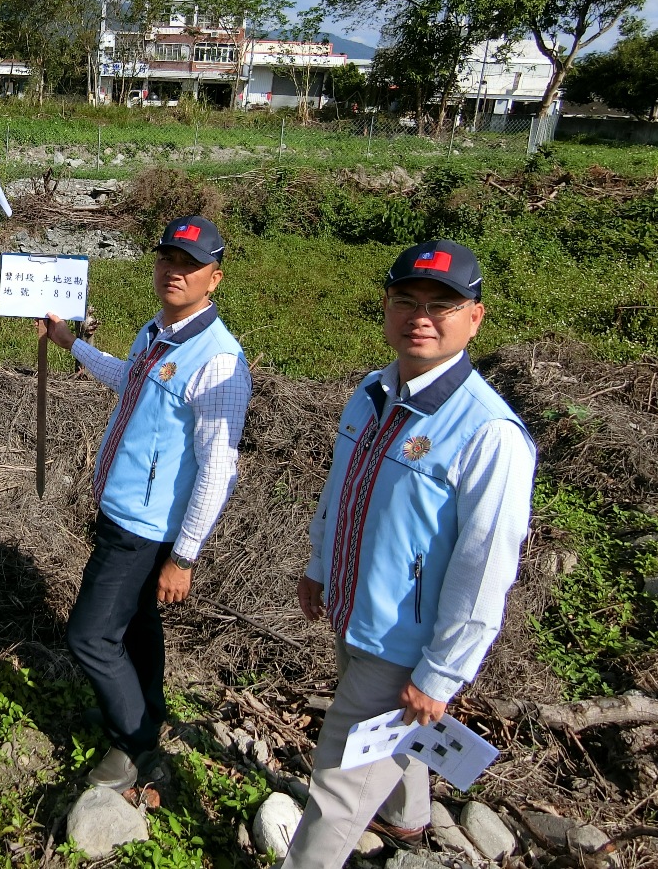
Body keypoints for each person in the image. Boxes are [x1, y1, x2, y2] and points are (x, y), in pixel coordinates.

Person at [281, 239, 536, 869]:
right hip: (354, 611)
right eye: (406, 300)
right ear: (386, 307)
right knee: (383, 735)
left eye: (441, 305)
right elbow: (341, 490)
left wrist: (441, 673)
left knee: (337, 780)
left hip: (404, 646)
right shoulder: (372, 390)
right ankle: (409, 819)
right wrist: (320, 565)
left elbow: (484, 570)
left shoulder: (489, 434)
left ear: (474, 317)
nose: (421, 316)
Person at [39, 215, 250, 792]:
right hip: (121, 506)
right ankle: (147, 713)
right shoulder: (155, 332)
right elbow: (126, 379)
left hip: (145, 526)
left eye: (190, 264)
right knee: (136, 623)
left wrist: (184, 556)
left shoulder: (219, 362)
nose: (174, 272)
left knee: (89, 636)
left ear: (215, 278)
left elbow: (219, 468)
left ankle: (134, 746)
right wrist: (72, 343)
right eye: (167, 260)